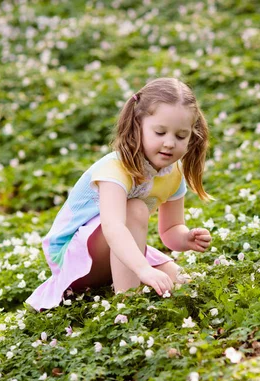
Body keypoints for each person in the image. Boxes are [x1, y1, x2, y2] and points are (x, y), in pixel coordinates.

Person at [25, 77, 213, 312]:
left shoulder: (173, 175)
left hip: (120, 249)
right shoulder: (116, 169)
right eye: (160, 132)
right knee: (134, 208)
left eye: (180, 136)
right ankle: (128, 305)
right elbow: (114, 228)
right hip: (75, 255)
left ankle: (129, 280)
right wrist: (142, 269)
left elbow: (170, 230)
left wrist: (186, 238)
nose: (169, 143)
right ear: (138, 126)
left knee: (182, 280)